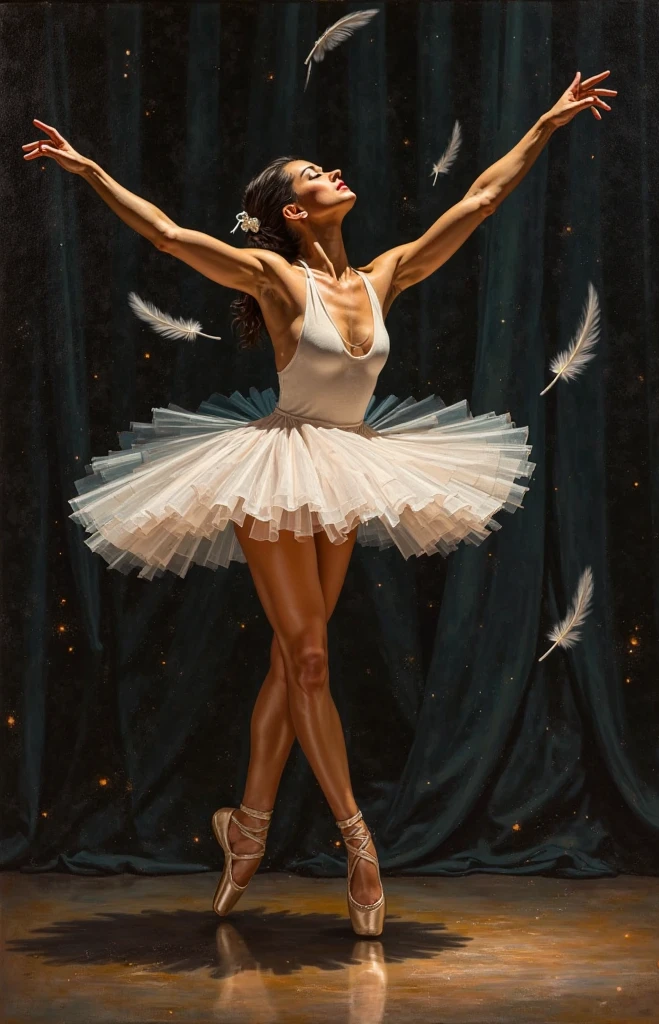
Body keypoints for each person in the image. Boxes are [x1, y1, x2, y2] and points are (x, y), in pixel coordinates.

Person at [22, 70, 615, 937]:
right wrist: (90, 172)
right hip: (276, 467)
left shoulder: (385, 274)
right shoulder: (271, 273)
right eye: (310, 173)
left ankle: (246, 830)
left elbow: (482, 198)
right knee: (309, 662)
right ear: (293, 213)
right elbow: (168, 234)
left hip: (349, 468)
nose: (329, 171)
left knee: (289, 661)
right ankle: (358, 842)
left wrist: (546, 124)